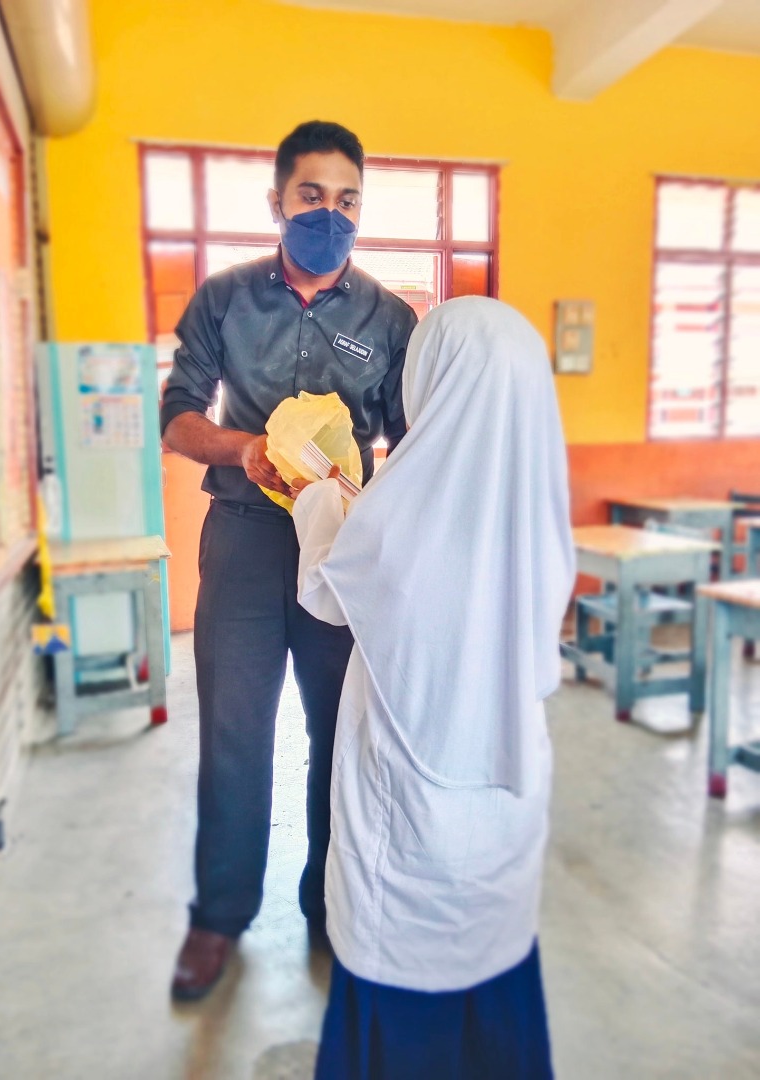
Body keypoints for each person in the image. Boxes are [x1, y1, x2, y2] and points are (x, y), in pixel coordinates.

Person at [160, 120, 417, 1001]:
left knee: (339, 732)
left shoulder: (389, 319)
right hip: (241, 537)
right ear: (277, 202)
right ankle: (219, 915)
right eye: (312, 195)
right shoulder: (226, 299)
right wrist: (242, 450)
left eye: (348, 200)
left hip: (342, 549)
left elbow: (411, 443)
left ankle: (330, 901)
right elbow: (178, 416)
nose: (330, 214)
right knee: (234, 733)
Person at [289, 296, 575, 1078]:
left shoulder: (403, 504)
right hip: (505, 808)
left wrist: (317, 499)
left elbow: (331, 590)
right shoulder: (538, 506)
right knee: (493, 984)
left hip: (408, 823)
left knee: (404, 1012)